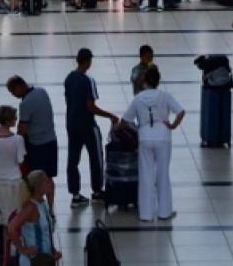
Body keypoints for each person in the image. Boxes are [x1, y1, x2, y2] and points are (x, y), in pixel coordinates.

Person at [118, 65, 184, 221]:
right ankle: (164, 212)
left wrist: (137, 128)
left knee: (146, 175)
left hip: (145, 137)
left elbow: (124, 121)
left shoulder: (138, 98)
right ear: (158, 81)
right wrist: (173, 125)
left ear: (145, 81)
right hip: (163, 136)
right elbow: (181, 111)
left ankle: (146, 214)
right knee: (162, 174)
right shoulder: (165, 96)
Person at [64, 48, 119, 207]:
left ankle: (75, 195)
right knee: (96, 158)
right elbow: (91, 107)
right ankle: (97, 191)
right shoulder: (88, 80)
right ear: (88, 61)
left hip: (71, 124)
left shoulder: (68, 78)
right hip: (87, 125)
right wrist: (110, 115)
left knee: (73, 160)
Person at [6, 75, 58, 179]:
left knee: (36, 178)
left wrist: (14, 144)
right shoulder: (41, 91)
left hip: (38, 146)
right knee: (49, 177)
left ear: (19, 87)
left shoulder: (26, 103)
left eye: (13, 91)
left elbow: (22, 129)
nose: (13, 95)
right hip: (51, 140)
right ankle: (50, 190)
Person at [7, 170, 60, 265]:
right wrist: (22, 249)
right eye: (46, 181)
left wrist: (52, 250)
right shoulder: (31, 207)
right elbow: (11, 228)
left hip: (45, 259)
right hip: (33, 261)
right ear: (38, 187)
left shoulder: (43, 204)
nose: (50, 184)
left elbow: (45, 233)